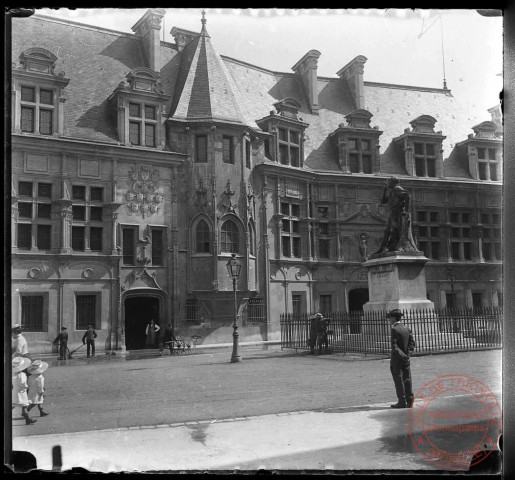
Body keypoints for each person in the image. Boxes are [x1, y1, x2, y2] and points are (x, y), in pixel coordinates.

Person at [375, 177, 418, 254]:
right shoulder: (392, 191)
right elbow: (383, 201)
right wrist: (385, 190)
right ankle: (383, 248)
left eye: (388, 182)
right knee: (388, 231)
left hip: (398, 213)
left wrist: (406, 210)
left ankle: (390, 247)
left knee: (395, 231)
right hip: (393, 214)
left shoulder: (396, 189)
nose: (387, 183)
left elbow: (407, 195)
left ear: (392, 182)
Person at [388, 309, 416, 409]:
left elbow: (394, 346)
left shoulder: (394, 329)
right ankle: (410, 400)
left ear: (394, 318)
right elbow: (412, 343)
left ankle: (402, 401)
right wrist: (407, 355)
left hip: (397, 359)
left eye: (390, 317)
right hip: (406, 358)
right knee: (407, 379)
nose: (389, 320)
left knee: (398, 379)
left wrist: (402, 355)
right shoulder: (407, 328)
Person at [12, 356, 37, 425]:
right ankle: (28, 419)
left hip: (15, 391)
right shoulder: (22, 375)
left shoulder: (13, 375)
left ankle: (28, 419)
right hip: (21, 392)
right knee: (23, 405)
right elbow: (23, 384)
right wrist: (27, 387)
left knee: (17, 404)